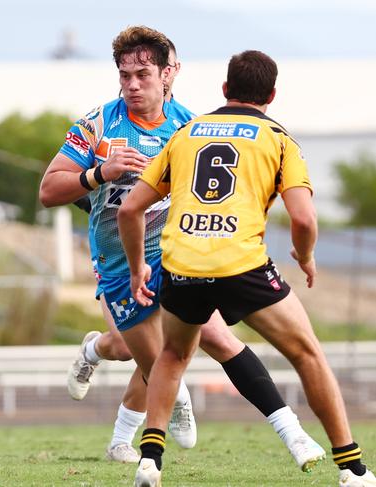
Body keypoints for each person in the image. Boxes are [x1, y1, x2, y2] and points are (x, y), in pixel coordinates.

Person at [40, 26, 324, 471]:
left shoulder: (189, 127)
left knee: (215, 336)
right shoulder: (97, 124)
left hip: (175, 255)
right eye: (124, 75)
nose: (132, 85)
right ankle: (97, 352)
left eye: (143, 74)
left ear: (169, 73)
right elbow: (48, 189)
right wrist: (100, 173)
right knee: (141, 355)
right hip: (118, 263)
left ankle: (292, 432)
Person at [119, 49, 376, 487]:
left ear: (224, 90)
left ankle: (151, 460)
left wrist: (137, 266)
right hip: (241, 266)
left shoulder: (187, 134)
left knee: (173, 354)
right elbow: (304, 219)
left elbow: (130, 209)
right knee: (307, 353)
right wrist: (306, 256)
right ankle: (352, 469)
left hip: (182, 263)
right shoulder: (279, 139)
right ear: (272, 95)